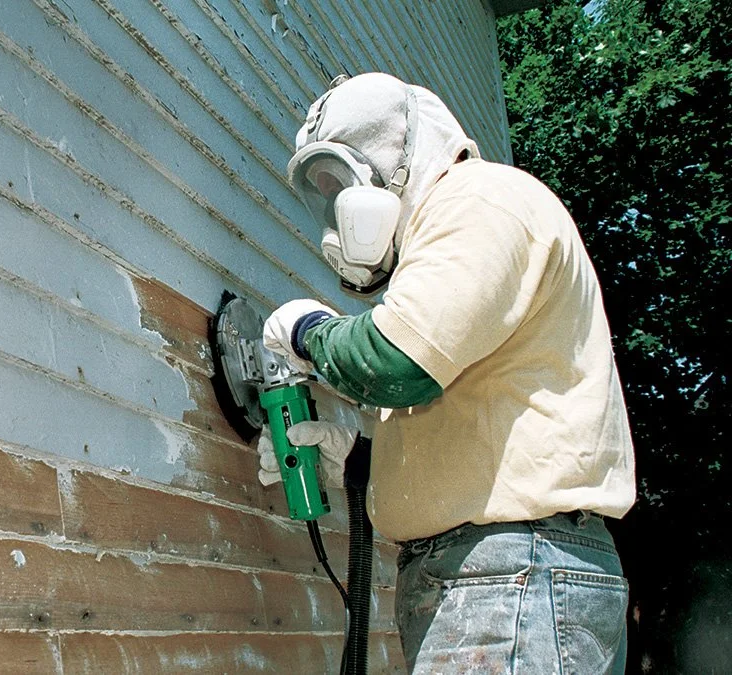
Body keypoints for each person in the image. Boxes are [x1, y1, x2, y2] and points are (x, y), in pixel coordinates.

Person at [256, 73, 636, 674]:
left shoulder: (478, 202)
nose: (338, 215)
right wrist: (357, 461)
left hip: (512, 571)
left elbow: (397, 363)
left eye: (341, 187)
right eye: (322, 196)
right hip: (501, 573)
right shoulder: (447, 236)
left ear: (395, 161)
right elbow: (472, 415)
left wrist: (308, 332)